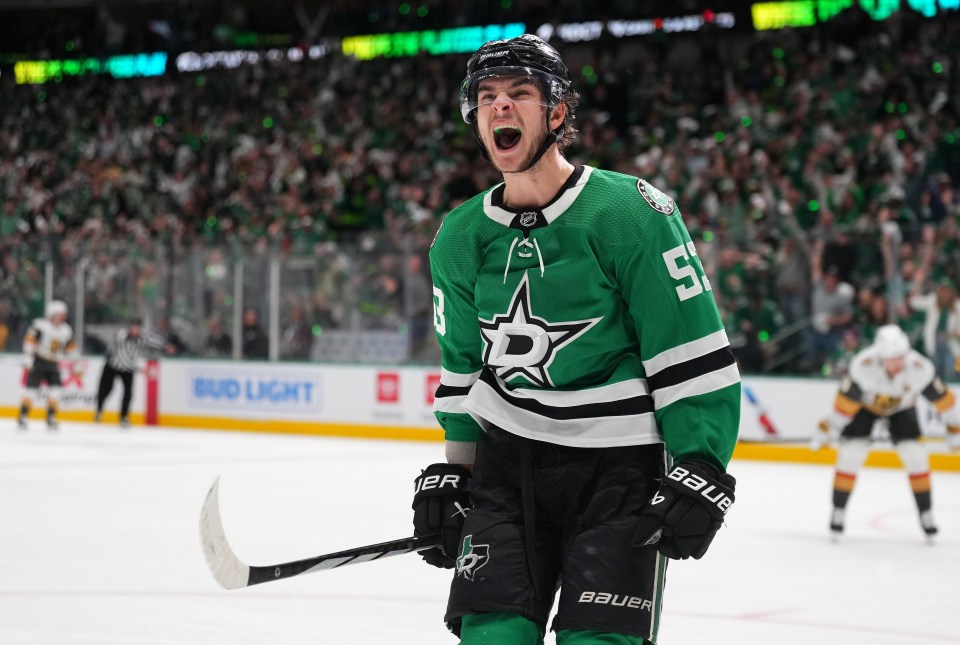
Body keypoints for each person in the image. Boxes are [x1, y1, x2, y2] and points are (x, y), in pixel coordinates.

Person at [412, 34, 741, 645]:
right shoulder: (458, 237)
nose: (499, 108)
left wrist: (701, 463)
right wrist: (455, 474)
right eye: (487, 97)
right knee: (493, 637)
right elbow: (462, 371)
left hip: (619, 472)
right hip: (508, 469)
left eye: (518, 95)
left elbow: (689, 355)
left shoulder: (628, 213)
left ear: (557, 113)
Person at [812, 324, 960, 540]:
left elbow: (946, 403)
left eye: (900, 357)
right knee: (851, 455)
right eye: (891, 358)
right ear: (881, 356)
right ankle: (838, 511)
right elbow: (846, 404)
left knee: (916, 457)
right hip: (866, 408)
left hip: (902, 408)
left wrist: (955, 429)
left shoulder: (920, 368)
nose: (897, 363)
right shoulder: (863, 365)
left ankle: (926, 513)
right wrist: (829, 427)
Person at [94, 318, 173, 428]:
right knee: (106, 389)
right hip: (113, 366)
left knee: (128, 393)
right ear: (129, 328)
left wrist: (166, 346)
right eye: (133, 328)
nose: (135, 330)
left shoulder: (142, 337)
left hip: (129, 369)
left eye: (138, 328)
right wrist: (139, 369)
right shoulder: (121, 336)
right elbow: (122, 358)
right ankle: (99, 410)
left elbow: (154, 341)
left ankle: (124, 417)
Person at [17, 300, 79, 431]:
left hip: (53, 363)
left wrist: (76, 362)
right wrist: (28, 357)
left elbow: (71, 348)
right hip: (39, 361)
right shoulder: (40, 325)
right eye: (62, 314)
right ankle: (23, 416)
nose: (64, 316)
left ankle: (50, 417)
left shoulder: (66, 330)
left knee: (56, 392)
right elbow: (30, 341)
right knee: (31, 392)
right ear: (53, 313)